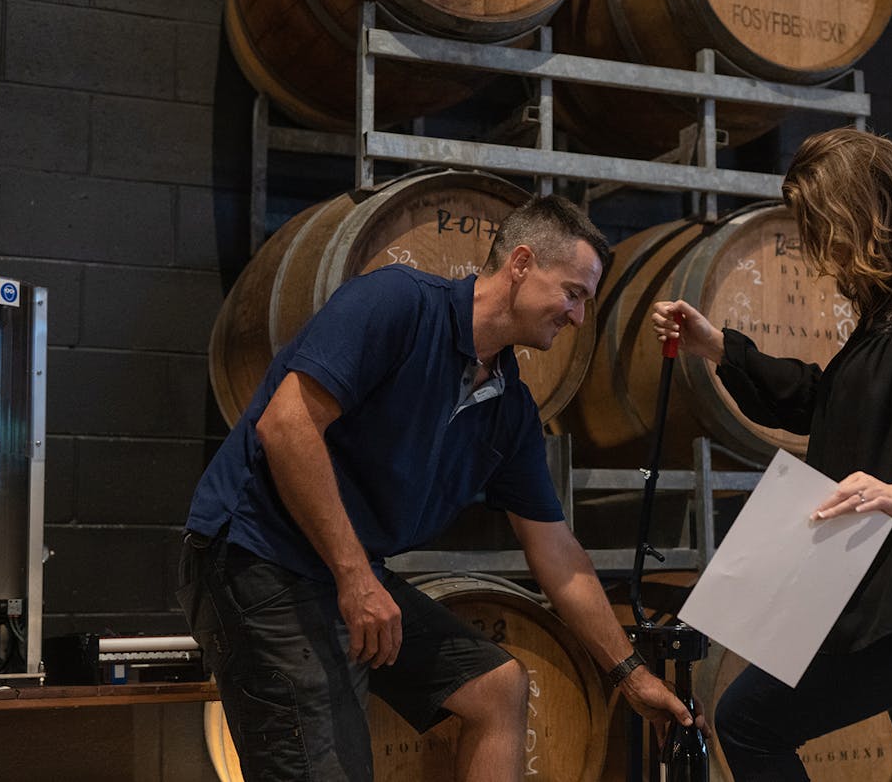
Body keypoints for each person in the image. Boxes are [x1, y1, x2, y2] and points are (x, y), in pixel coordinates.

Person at [178, 194, 693, 781]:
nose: (578, 317)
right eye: (572, 293)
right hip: (254, 557)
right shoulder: (397, 303)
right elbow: (286, 427)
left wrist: (630, 675)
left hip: (334, 572)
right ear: (521, 263)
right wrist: (356, 577)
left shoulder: (510, 407)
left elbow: (557, 552)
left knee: (497, 686)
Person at [652, 128, 892, 782]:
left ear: (862, 211)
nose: (818, 247)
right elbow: (829, 403)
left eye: (821, 224)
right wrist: (719, 347)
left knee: (749, 721)